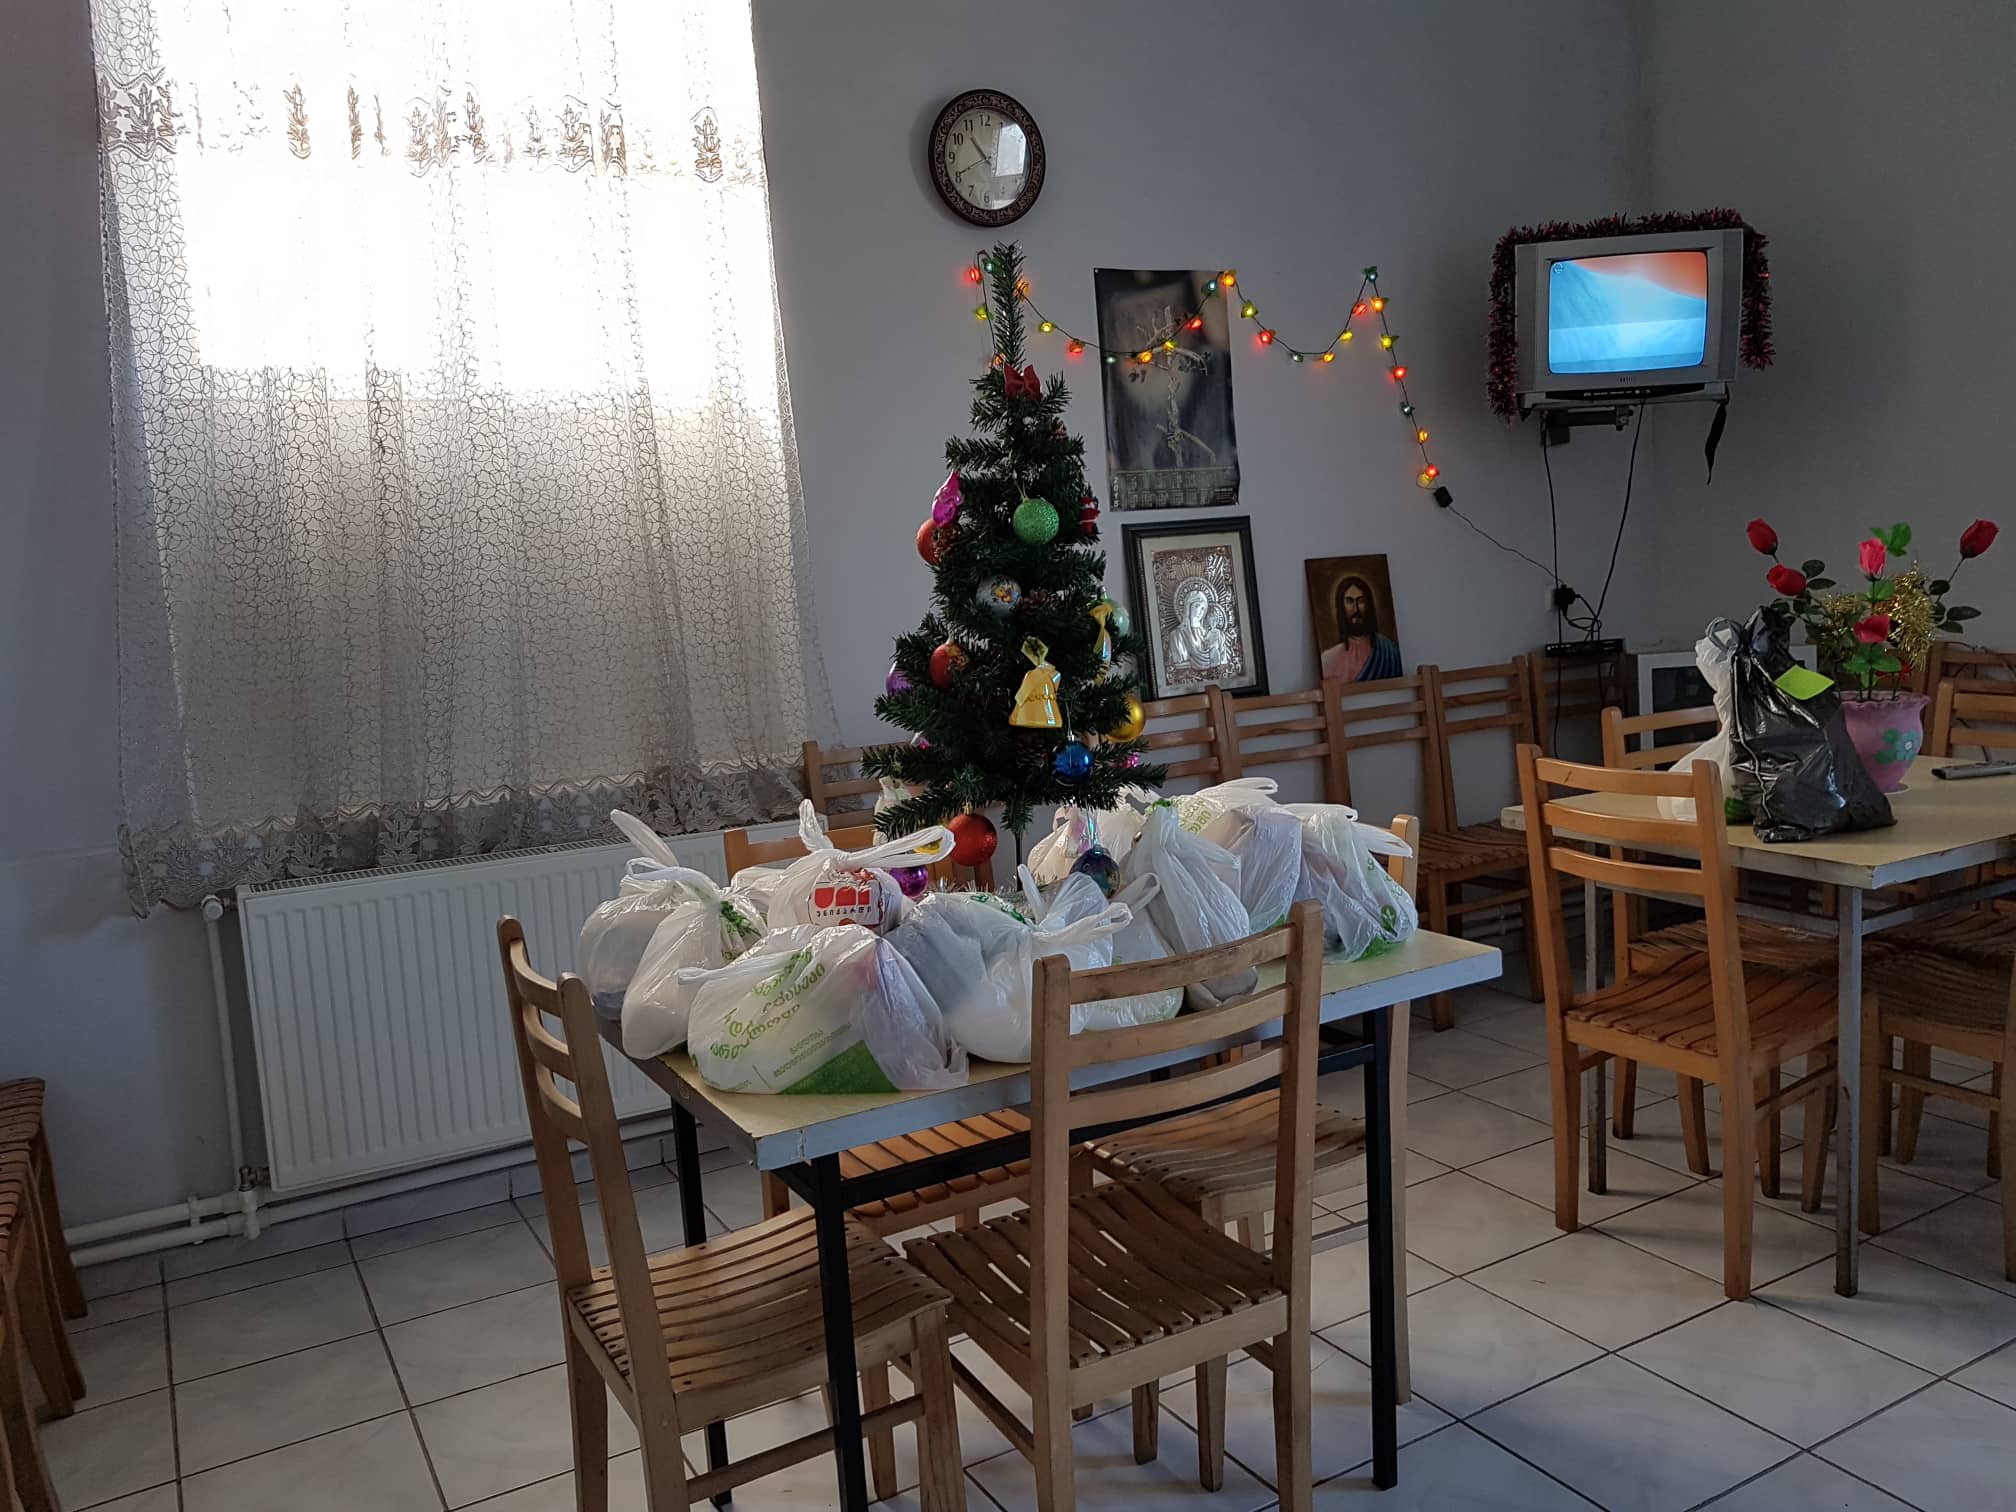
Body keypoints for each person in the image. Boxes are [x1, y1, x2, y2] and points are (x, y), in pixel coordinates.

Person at [1320, 575, 1402, 682]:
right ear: (1341, 606)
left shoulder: (1390, 651)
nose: (1356, 609)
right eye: (1349, 601)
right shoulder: (1329, 659)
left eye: (1361, 601)